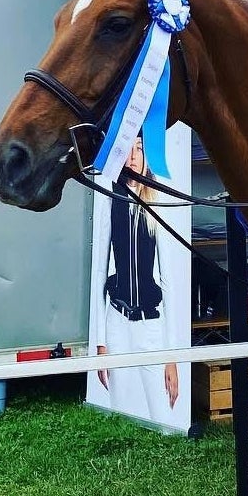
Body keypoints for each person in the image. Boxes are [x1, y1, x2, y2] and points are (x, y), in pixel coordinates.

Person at [91, 135, 182, 423]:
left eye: (140, 148)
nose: (133, 156)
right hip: (116, 320)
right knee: (122, 413)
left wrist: (171, 355)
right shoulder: (111, 196)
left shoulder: (157, 202)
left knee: (160, 415)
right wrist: (100, 343)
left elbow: (168, 280)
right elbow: (99, 272)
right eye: (128, 149)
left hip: (150, 326)